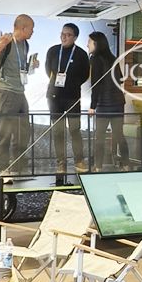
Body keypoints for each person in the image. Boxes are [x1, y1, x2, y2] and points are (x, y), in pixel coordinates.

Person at [0, 14, 37, 174]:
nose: (33, 32)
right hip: (5, 92)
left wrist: (32, 66)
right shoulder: (6, 40)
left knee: (23, 132)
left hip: (20, 91)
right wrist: (1, 44)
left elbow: (20, 67)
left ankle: (17, 167)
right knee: (5, 133)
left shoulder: (25, 45)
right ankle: (3, 169)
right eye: (31, 28)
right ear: (23, 28)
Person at [45, 23, 90, 175]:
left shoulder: (81, 54)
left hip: (72, 96)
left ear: (75, 37)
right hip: (54, 96)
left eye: (68, 35)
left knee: (75, 130)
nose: (64, 37)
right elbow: (48, 70)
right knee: (58, 131)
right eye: (62, 34)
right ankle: (61, 163)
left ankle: (79, 160)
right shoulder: (52, 51)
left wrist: (71, 83)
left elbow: (85, 75)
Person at [87, 31, 128, 172]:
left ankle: (98, 167)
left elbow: (95, 84)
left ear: (96, 44)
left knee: (99, 137)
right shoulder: (112, 58)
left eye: (89, 42)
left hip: (103, 104)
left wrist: (92, 106)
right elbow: (121, 79)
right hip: (118, 102)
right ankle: (126, 165)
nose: (87, 45)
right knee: (119, 135)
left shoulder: (95, 59)